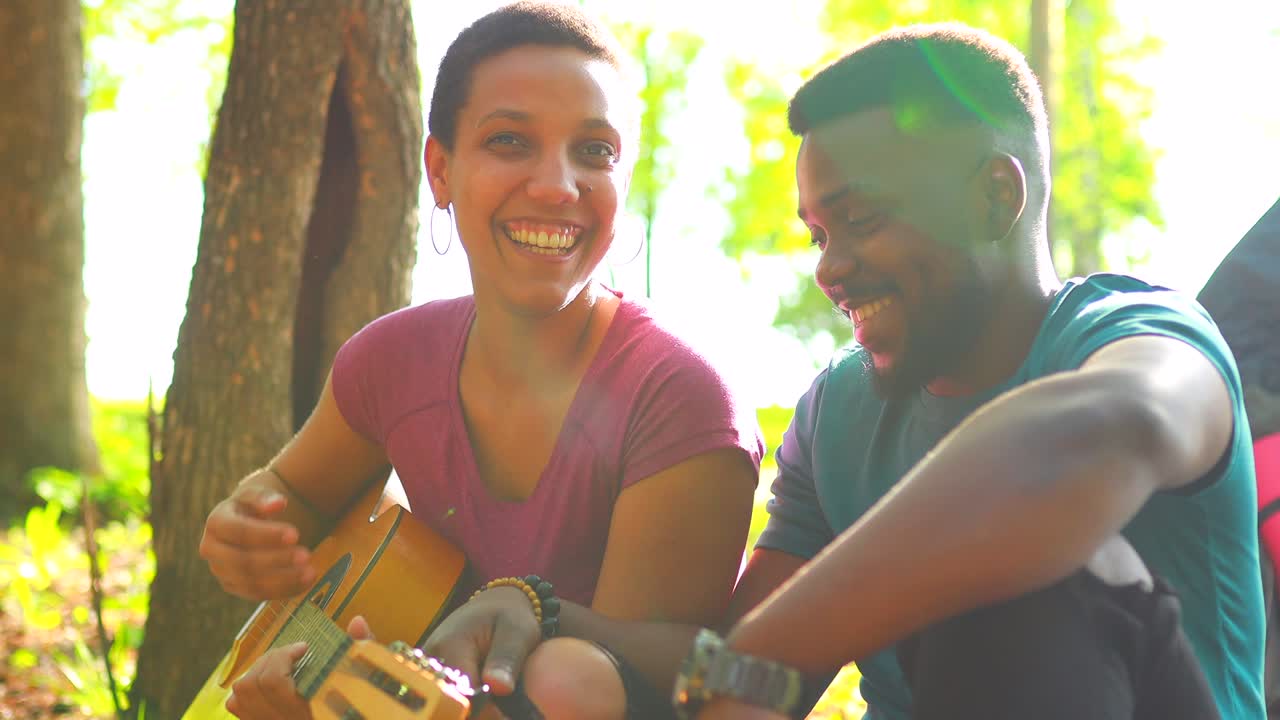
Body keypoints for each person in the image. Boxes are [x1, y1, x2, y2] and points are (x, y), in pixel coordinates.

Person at [679, 23, 1263, 720]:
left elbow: (1103, 432)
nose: (828, 268)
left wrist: (760, 656)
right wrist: (555, 627)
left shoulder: (1146, 339)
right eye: (818, 235)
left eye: (861, 219)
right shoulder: (838, 412)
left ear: (994, 197)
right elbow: (735, 669)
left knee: (1028, 565)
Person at [196, 3, 762, 719]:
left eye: (595, 151)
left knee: (566, 671)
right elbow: (294, 498)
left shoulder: (677, 395)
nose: (558, 185)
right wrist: (249, 526)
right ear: (440, 169)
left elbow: (616, 685)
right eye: (509, 141)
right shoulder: (389, 361)